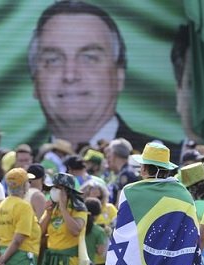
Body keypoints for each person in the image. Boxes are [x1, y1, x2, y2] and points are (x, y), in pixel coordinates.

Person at [28, 0, 179, 159]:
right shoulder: (20, 166)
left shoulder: (169, 161)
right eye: (53, 60)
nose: (70, 75)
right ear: (35, 81)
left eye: (89, 58)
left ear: (119, 75)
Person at [106, 138, 139, 204]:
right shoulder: (125, 171)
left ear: (114, 155)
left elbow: (120, 204)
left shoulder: (126, 174)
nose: (107, 157)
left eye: (109, 154)